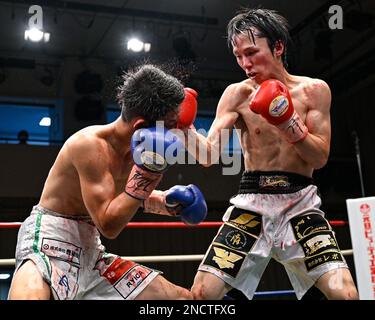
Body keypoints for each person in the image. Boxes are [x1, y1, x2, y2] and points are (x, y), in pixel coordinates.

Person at [184, 8, 359, 300]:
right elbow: (208, 155)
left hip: (299, 203)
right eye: (239, 56)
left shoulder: (314, 91)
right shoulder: (236, 94)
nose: (245, 63)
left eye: (251, 52)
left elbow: (319, 158)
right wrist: (184, 127)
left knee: (346, 295)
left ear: (278, 47)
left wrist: (287, 122)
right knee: (202, 294)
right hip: (252, 203)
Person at [8, 64, 207, 300]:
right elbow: (109, 223)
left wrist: (166, 202)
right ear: (141, 127)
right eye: (171, 126)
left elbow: (125, 197)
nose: (176, 134)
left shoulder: (140, 151)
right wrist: (148, 174)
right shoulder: (89, 146)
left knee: (184, 300)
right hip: (48, 244)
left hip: (91, 254)